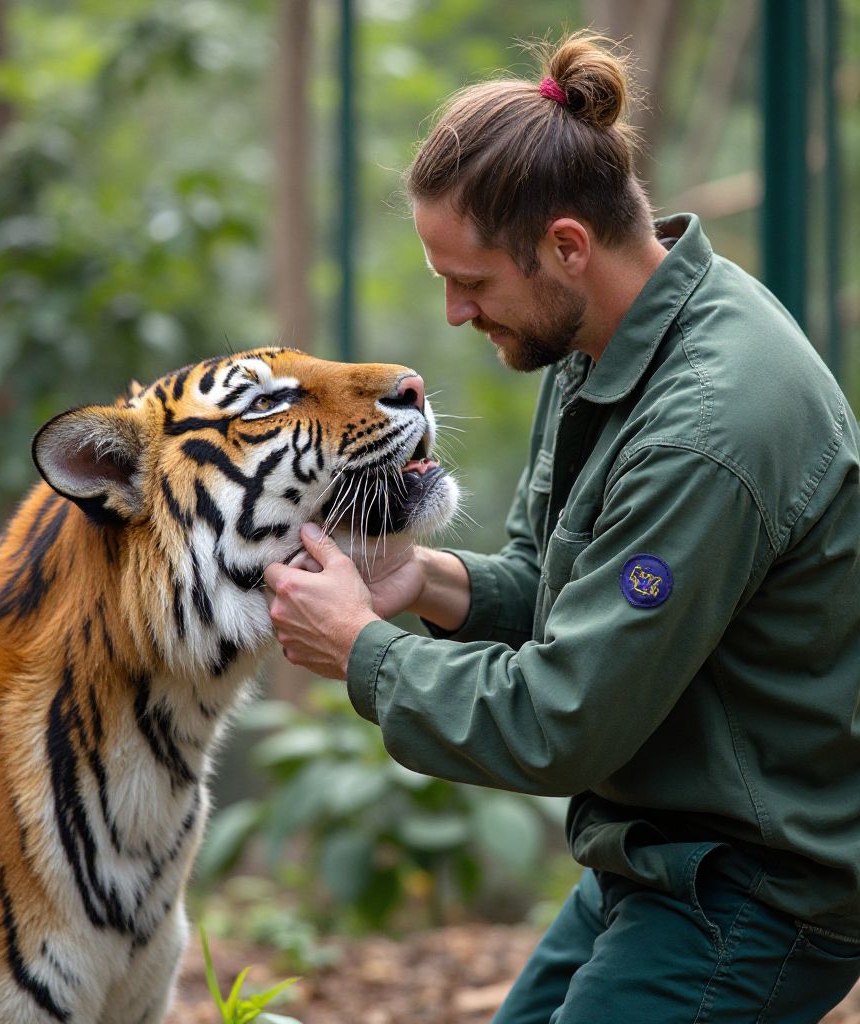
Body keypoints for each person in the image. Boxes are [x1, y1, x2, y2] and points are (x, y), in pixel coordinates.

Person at [264, 31, 860, 1023]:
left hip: (755, 885)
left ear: (566, 246)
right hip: (658, 851)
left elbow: (562, 721)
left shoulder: (706, 430)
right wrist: (424, 582)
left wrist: (363, 651)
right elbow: (554, 586)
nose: (454, 313)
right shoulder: (601, 335)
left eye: (472, 282)